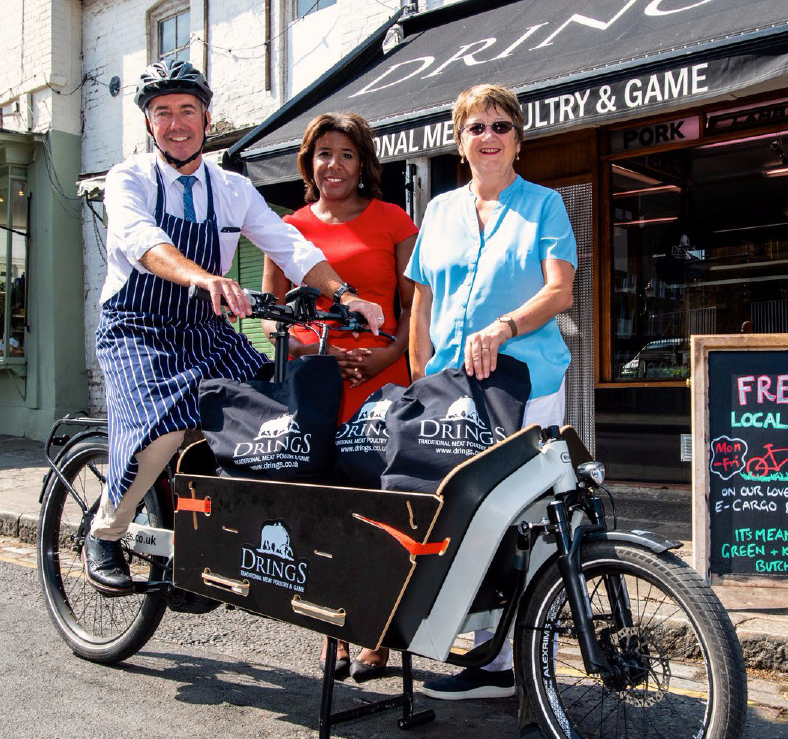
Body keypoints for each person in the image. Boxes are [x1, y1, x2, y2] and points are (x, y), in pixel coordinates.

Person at [85, 59, 384, 596]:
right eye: (162, 113)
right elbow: (142, 242)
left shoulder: (232, 188)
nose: (176, 124)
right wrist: (205, 279)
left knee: (275, 414)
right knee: (163, 428)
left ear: (205, 116)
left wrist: (345, 295)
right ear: (149, 123)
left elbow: (289, 246)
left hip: (205, 328)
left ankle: (211, 539)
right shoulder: (129, 179)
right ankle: (105, 531)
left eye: (187, 111)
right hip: (137, 328)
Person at [406, 84, 577, 700]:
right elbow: (421, 300)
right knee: (469, 515)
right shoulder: (440, 211)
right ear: (460, 142)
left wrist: (504, 327)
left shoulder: (545, 206)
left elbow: (561, 292)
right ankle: (487, 647)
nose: (489, 136)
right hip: (452, 391)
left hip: (527, 383)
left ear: (519, 141)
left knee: (529, 518)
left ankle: (519, 660)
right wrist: (417, 379)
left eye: (502, 126)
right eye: (476, 126)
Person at [262, 112, 417, 681]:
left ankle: (377, 633)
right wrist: (311, 352)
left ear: (364, 164)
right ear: (309, 163)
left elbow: (414, 309)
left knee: (380, 509)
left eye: (347, 154)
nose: (334, 164)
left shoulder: (394, 222)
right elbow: (273, 317)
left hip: (381, 382)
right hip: (317, 387)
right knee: (322, 508)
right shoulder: (289, 227)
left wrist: (384, 356)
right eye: (323, 153)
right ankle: (335, 629)